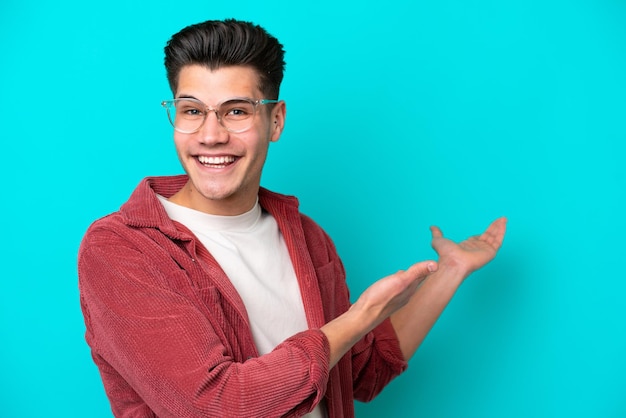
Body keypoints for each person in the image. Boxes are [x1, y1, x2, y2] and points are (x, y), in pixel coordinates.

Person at [78, 18, 507, 418]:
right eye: (192, 111)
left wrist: (449, 271)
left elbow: (363, 371)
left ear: (276, 119)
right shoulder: (123, 248)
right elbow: (218, 405)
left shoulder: (308, 238)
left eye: (236, 111)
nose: (210, 135)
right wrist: (361, 316)